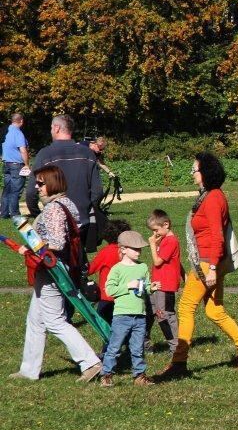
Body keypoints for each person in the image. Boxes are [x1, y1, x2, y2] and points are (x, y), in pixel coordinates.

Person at [158, 153, 238, 378]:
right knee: (214, 310)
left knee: (185, 308)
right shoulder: (209, 196)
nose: (192, 173)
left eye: (194, 169)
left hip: (208, 262)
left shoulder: (213, 198)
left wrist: (212, 267)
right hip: (211, 261)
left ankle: (179, 363)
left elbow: (216, 235)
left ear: (205, 172)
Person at [9, 165, 102, 382]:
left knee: (54, 321)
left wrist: (31, 247)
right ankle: (29, 370)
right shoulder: (65, 203)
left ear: (52, 183)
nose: (36, 187)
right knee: (35, 320)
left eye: (40, 183)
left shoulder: (53, 209)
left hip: (52, 270)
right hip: (53, 269)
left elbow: (58, 243)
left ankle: (91, 362)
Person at [25, 115, 103, 254]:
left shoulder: (45, 154)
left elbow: (31, 192)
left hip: (54, 222)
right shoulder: (87, 153)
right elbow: (97, 191)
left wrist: (38, 214)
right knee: (77, 263)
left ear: (56, 128)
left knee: (57, 266)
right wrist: (86, 209)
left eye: (51, 128)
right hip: (81, 222)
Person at [100, 230, 159, 387]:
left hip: (140, 315)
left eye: (140, 249)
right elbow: (110, 290)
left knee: (138, 348)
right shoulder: (117, 269)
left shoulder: (142, 267)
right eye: (135, 249)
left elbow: (144, 287)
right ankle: (106, 375)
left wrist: (151, 288)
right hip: (122, 316)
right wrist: (127, 286)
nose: (139, 252)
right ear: (124, 249)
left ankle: (139, 376)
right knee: (114, 346)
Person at [147, 209, 180, 355]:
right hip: (156, 284)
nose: (154, 234)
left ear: (166, 224)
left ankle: (175, 346)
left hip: (165, 285)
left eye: (156, 230)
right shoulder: (165, 240)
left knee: (164, 315)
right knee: (151, 313)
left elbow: (158, 261)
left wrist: (153, 245)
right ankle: (145, 343)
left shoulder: (170, 241)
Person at [89, 218, 133, 326]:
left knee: (104, 322)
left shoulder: (106, 252)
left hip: (108, 296)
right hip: (126, 294)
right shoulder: (128, 251)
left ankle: (111, 342)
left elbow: (91, 269)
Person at [2, 112, 30, 219]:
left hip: (6, 163)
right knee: (15, 190)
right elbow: (23, 150)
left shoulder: (6, 131)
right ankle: (15, 213)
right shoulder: (18, 133)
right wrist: (27, 164)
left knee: (7, 189)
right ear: (21, 121)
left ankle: (4, 213)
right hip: (16, 165)